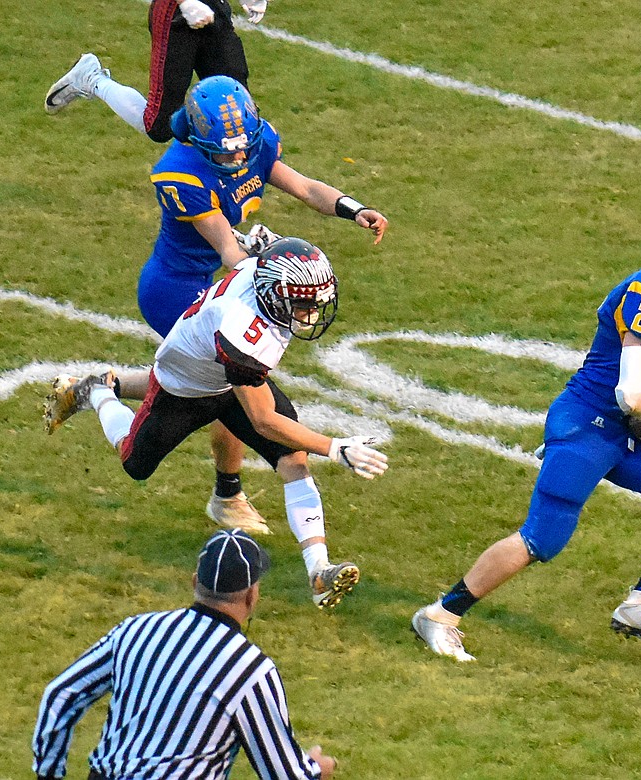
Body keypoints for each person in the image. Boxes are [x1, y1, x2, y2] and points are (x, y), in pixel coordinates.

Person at [44, 75, 389, 537]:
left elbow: (306, 188)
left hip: (220, 279)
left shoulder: (252, 143)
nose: (238, 159)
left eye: (243, 149)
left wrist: (351, 207)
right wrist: (268, 257)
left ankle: (104, 386)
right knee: (234, 388)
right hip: (175, 287)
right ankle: (227, 494)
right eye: (226, 152)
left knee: (217, 383)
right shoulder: (181, 171)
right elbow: (228, 249)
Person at [411, 210, 641, 660]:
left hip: (620, 431)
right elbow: (632, 392)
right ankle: (439, 614)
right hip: (587, 424)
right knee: (542, 539)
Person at [43, 236, 389, 609]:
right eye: (302, 302)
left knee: (292, 460)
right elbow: (263, 420)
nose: (310, 312)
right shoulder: (244, 329)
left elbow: (256, 255)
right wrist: (335, 448)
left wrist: (259, 240)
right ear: (275, 294)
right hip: (185, 385)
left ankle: (319, 571)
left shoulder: (264, 277)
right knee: (135, 460)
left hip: (222, 371)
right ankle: (97, 390)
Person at [33, 528, 338, 780]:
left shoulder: (135, 629)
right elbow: (285, 774)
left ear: (195, 582)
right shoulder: (250, 669)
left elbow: (61, 694)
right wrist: (317, 768)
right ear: (251, 595)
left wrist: (48, 775)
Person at [45, 0, 265, 142]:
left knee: (237, 110)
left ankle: (218, 193)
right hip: (175, 12)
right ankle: (91, 79)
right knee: (160, 125)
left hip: (214, 7)